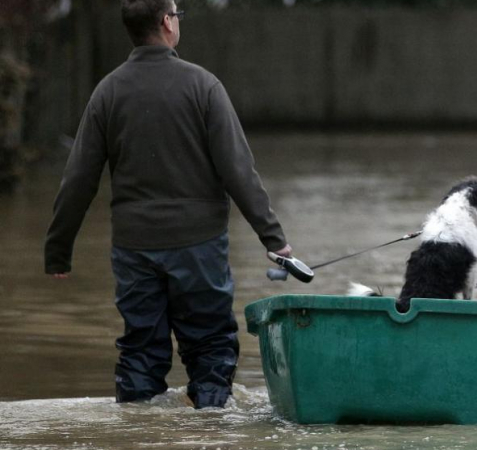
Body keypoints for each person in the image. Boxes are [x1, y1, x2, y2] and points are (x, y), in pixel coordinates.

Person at [44, 0, 292, 409]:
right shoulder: (203, 86)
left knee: (140, 350)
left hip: (133, 246)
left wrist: (58, 251)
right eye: (177, 13)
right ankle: (211, 423)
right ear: (166, 23)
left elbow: (78, 179)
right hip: (199, 244)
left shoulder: (108, 91)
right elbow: (238, 169)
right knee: (210, 346)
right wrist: (274, 238)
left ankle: (139, 431)